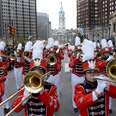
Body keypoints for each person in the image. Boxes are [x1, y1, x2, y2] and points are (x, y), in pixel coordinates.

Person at [74, 40, 116, 116]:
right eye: (89, 72)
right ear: (85, 74)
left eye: (94, 72)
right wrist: (96, 92)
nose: (92, 74)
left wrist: (110, 86)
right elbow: (80, 104)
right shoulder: (80, 87)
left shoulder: (103, 84)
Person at [69, 36, 85, 112]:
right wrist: (76, 58)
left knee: (84, 91)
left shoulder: (84, 54)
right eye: (77, 48)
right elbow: (70, 65)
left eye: (80, 48)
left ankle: (83, 104)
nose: (79, 50)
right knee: (74, 90)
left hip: (83, 75)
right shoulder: (73, 55)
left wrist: (83, 59)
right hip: (75, 75)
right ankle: (75, 105)